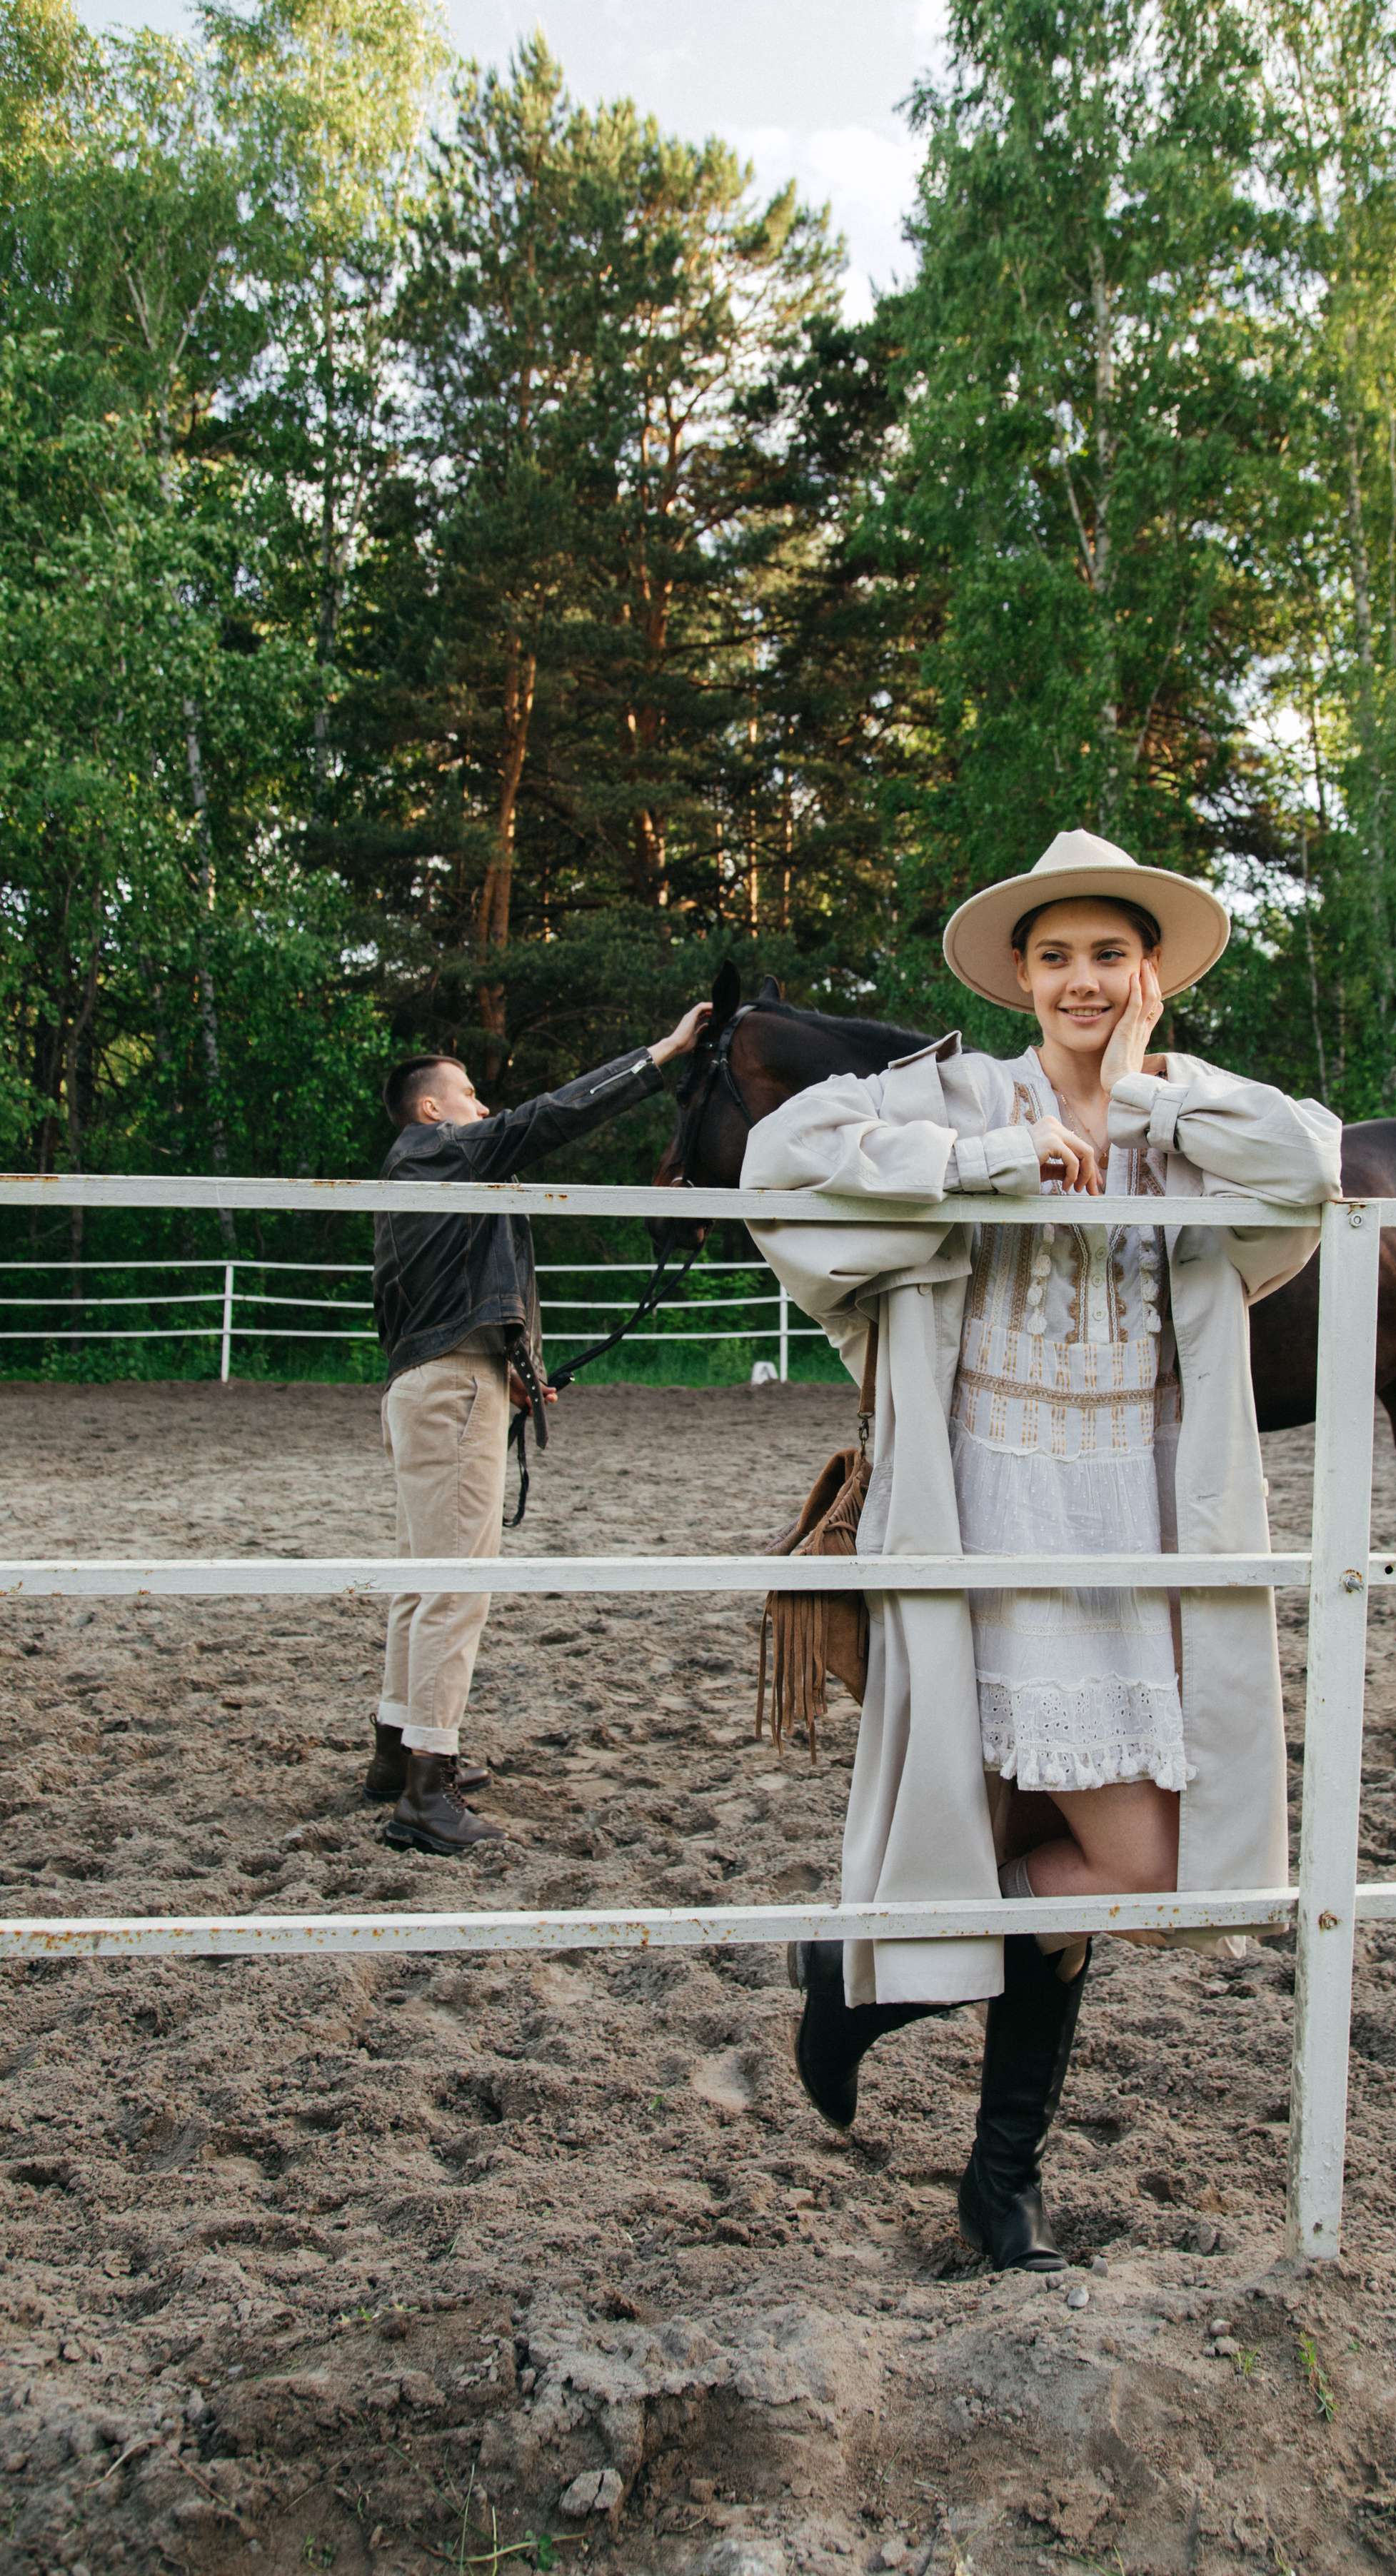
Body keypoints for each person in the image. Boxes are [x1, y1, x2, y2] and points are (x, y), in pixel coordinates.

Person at [743, 829, 1342, 2272]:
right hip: (976, 1514)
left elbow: (1310, 1162)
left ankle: (863, 1979)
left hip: (1123, 1535)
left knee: (1145, 1867)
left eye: (1109, 956)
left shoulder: (1186, 1116)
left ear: (1146, 976)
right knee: (1016, 1842)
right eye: (1058, 955)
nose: (1082, 979)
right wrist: (989, 1158)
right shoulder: (944, 1094)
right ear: (1020, 973)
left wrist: (1139, 1084)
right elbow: (777, 1160)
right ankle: (998, 2189)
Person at [367, 1006, 710, 1854]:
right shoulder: (440, 1152)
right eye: (470, 1095)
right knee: (456, 1588)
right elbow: (548, 1116)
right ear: (432, 1110)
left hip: (426, 1384)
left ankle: (394, 1751)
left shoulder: (421, 1178)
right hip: (454, 1394)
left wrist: (517, 1374)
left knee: (420, 1580)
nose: (485, 1109)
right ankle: (426, 1790)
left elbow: (457, 1298)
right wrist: (661, 1055)